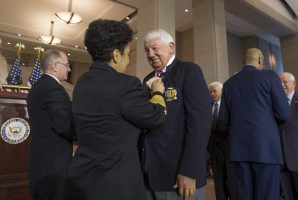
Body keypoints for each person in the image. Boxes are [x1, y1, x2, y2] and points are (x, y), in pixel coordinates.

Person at [64, 19, 167, 200]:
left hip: (81, 178)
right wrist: (157, 93)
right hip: (115, 184)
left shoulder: (82, 82)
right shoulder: (126, 84)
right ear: (116, 55)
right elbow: (156, 117)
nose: (128, 60)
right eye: (128, 53)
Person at [142, 29, 212, 200]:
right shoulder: (146, 80)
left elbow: (200, 125)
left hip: (179, 176)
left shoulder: (189, 71)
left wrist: (189, 170)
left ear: (171, 47)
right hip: (149, 175)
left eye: (155, 48)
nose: (150, 54)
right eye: (147, 50)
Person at [219, 48, 290, 200]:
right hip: (266, 151)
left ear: (244, 62)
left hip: (238, 152)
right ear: (259, 60)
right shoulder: (270, 77)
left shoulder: (228, 84)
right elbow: (284, 114)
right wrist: (268, 130)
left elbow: (222, 123)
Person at [27, 49, 74, 200]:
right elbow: (64, 125)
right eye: (66, 65)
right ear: (55, 66)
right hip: (54, 161)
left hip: (40, 157)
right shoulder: (54, 89)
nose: (69, 69)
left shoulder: (37, 86)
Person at [208, 82, 231, 200]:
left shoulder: (229, 106)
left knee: (231, 182)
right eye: (210, 91)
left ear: (222, 91)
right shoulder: (208, 107)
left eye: (214, 91)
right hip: (214, 150)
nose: (212, 94)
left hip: (229, 150)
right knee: (219, 182)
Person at [279, 72, 298, 200]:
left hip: (297, 159)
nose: (281, 85)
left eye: (285, 82)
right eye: (279, 83)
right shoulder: (274, 103)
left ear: (294, 83)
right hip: (281, 161)